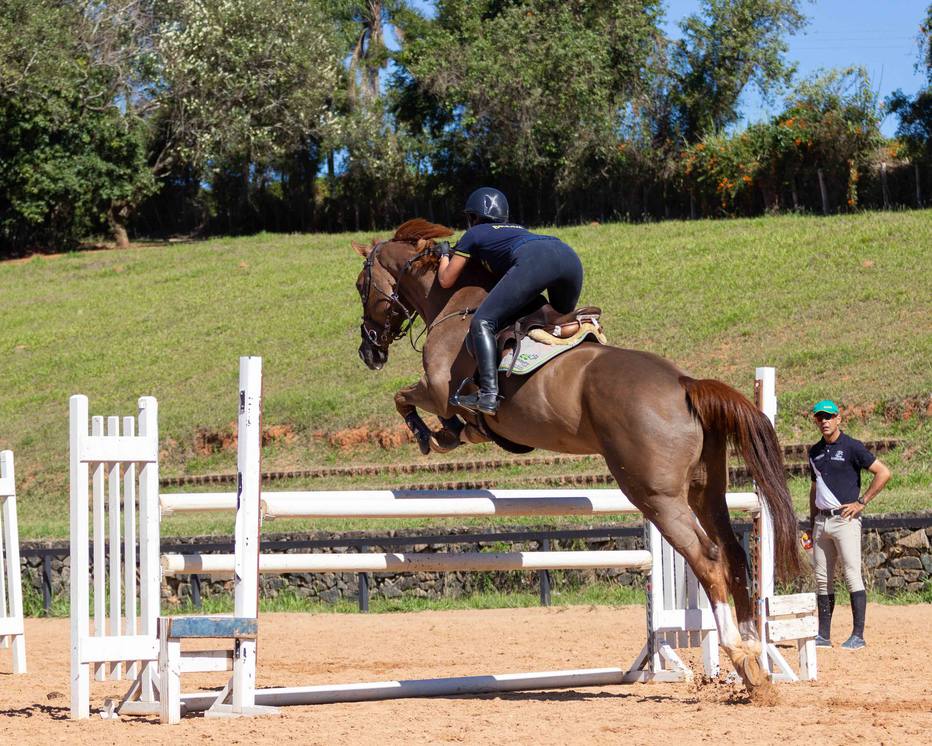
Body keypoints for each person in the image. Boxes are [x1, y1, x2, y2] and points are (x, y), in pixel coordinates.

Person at [435, 187, 584, 415]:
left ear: (473, 217)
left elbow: (446, 280)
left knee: (481, 322)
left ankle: (488, 395)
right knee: (556, 320)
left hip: (537, 259)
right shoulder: (516, 229)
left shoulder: (474, 234)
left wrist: (445, 253)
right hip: (568, 257)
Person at [808, 399, 891, 650]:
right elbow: (815, 489)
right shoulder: (813, 452)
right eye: (820, 417)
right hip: (822, 521)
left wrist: (861, 502)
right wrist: (811, 523)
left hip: (845, 520)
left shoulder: (852, 447)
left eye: (829, 417)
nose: (825, 421)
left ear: (839, 419)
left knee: (852, 575)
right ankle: (823, 635)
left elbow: (883, 472)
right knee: (822, 579)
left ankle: (858, 635)